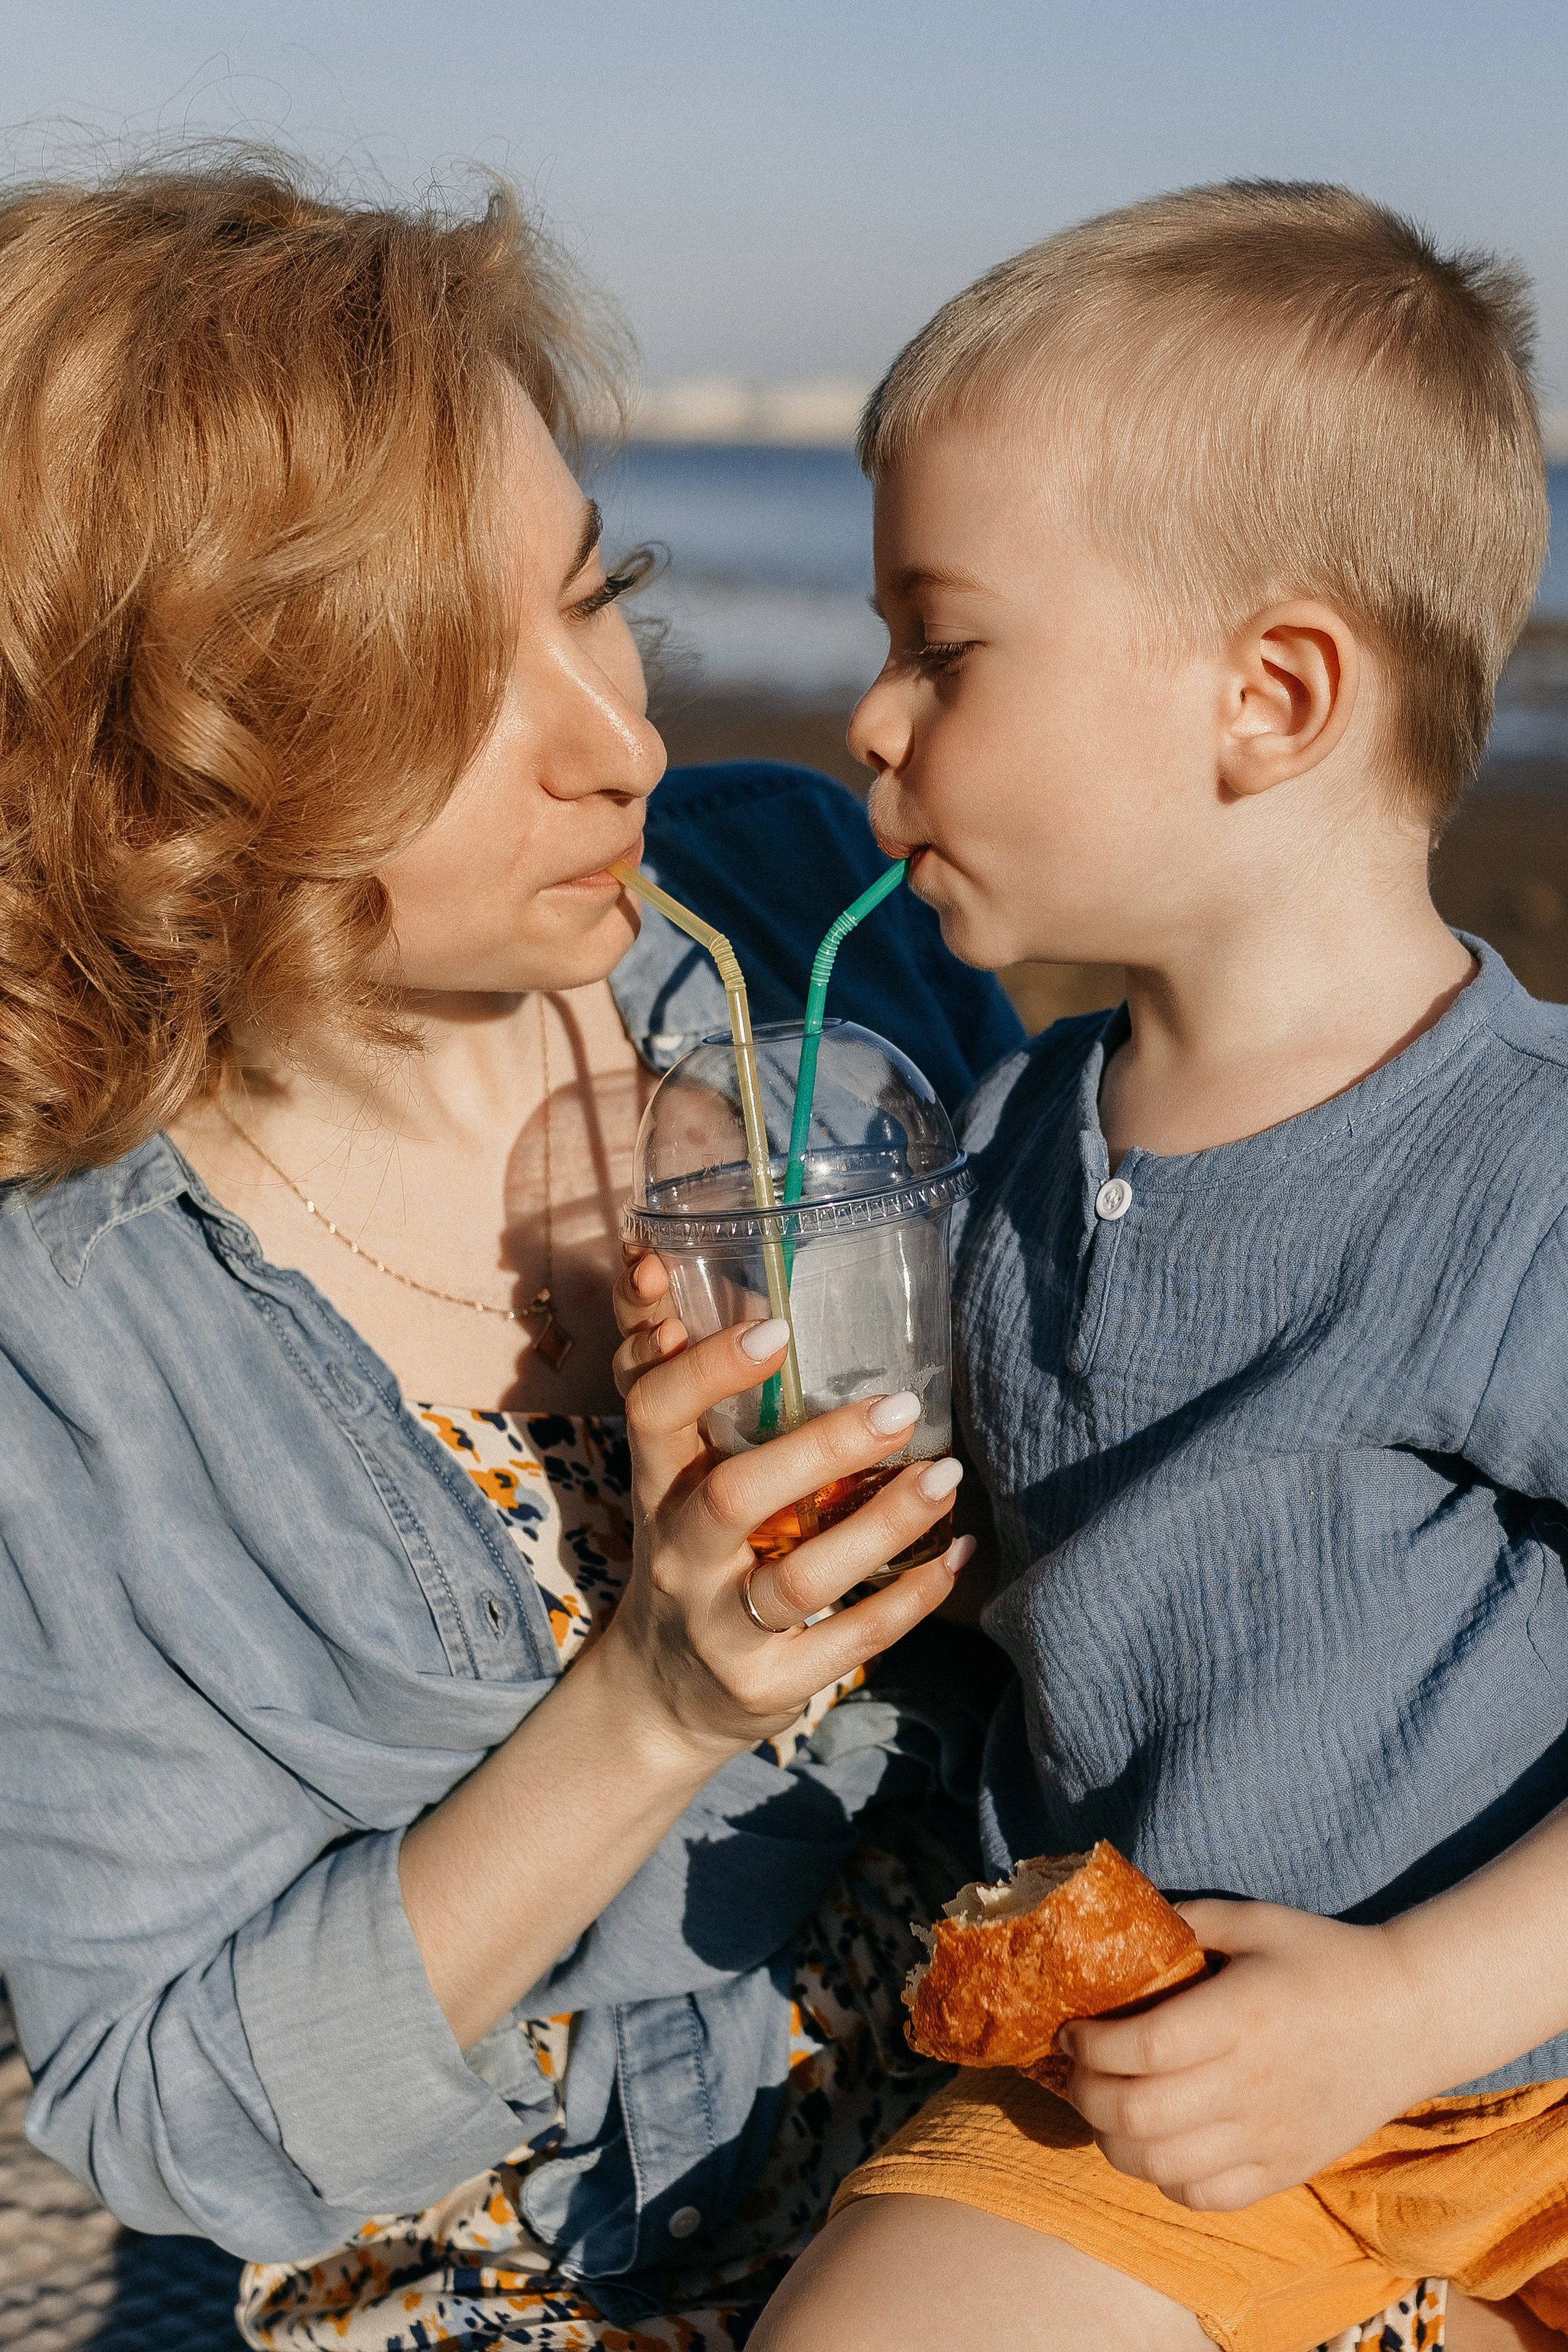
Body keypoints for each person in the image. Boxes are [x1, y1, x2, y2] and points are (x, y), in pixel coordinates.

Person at [0, 158, 1024, 2350]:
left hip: (1056, 2157)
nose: (627, 743)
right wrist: (657, 1703)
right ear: (158, 780)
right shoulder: (67, 1343)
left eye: (597, 593)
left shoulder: (808, 923)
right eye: (453, 687)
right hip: (535, 2281)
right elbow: (171, 2111)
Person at [662, 182, 1567, 2350]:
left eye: (945, 648)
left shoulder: (1526, 1171)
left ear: (1271, 696)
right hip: (1163, 2086)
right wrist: (752, 1408)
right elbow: (994, 1553)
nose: (871, 721)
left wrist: (1414, 2002)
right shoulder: (994, 1154)